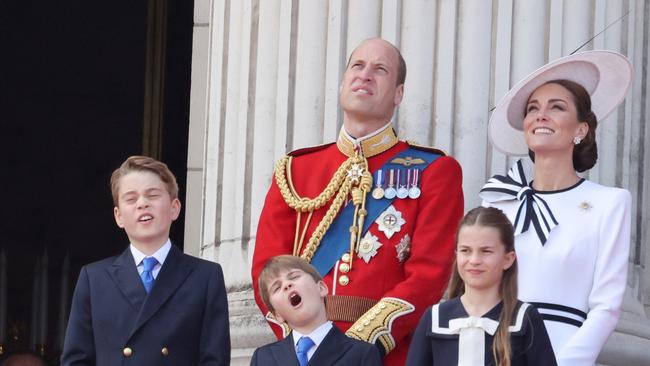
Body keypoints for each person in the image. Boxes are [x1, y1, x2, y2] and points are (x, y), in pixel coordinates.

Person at [251, 38, 464, 365]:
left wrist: (355, 349)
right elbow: (267, 272)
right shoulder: (295, 170)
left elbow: (430, 276)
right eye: (357, 66)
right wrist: (305, 341)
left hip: (383, 355)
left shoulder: (434, 171)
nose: (365, 75)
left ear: (398, 94)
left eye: (380, 70)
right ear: (342, 84)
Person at [480, 51, 633, 365]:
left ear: (581, 129)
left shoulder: (610, 203)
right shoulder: (497, 199)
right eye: (533, 109)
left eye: (557, 107)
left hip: (563, 351)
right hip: (493, 351)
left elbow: (606, 307)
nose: (541, 115)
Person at [61, 156, 230, 366]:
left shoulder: (205, 276)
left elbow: (214, 359)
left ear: (174, 207)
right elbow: (76, 360)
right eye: (131, 199)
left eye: (153, 195)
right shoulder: (94, 278)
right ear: (118, 216)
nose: (142, 203)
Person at [406, 207, 556, 365]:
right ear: (456, 255)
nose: (474, 260)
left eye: (486, 251)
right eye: (465, 250)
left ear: (508, 259)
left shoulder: (525, 319)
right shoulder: (435, 318)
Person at [251, 255, 382, 366]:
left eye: (294, 277)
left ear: (321, 288)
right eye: (277, 288)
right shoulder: (263, 359)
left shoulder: (361, 354)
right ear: (277, 315)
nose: (287, 285)